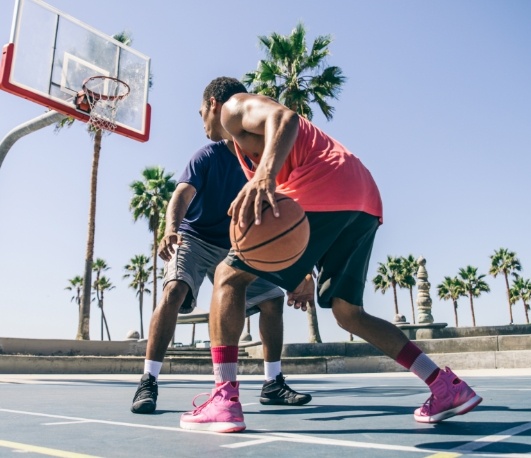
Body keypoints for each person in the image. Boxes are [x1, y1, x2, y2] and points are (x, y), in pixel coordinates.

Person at [179, 77, 482, 433]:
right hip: (363, 198)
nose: (201, 122)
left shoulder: (234, 107)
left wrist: (264, 176)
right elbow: (293, 230)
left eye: (200, 112)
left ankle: (224, 399)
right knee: (348, 312)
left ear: (213, 103)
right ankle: (444, 385)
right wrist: (302, 270)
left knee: (228, 276)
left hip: (324, 185)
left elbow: (286, 117)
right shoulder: (246, 147)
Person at [130, 139, 312, 415]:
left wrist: (299, 271)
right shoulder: (207, 155)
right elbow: (181, 194)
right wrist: (171, 228)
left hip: (236, 245)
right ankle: (148, 381)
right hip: (193, 237)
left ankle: (273, 383)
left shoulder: (262, 162)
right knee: (174, 290)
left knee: (272, 301)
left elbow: (285, 220)